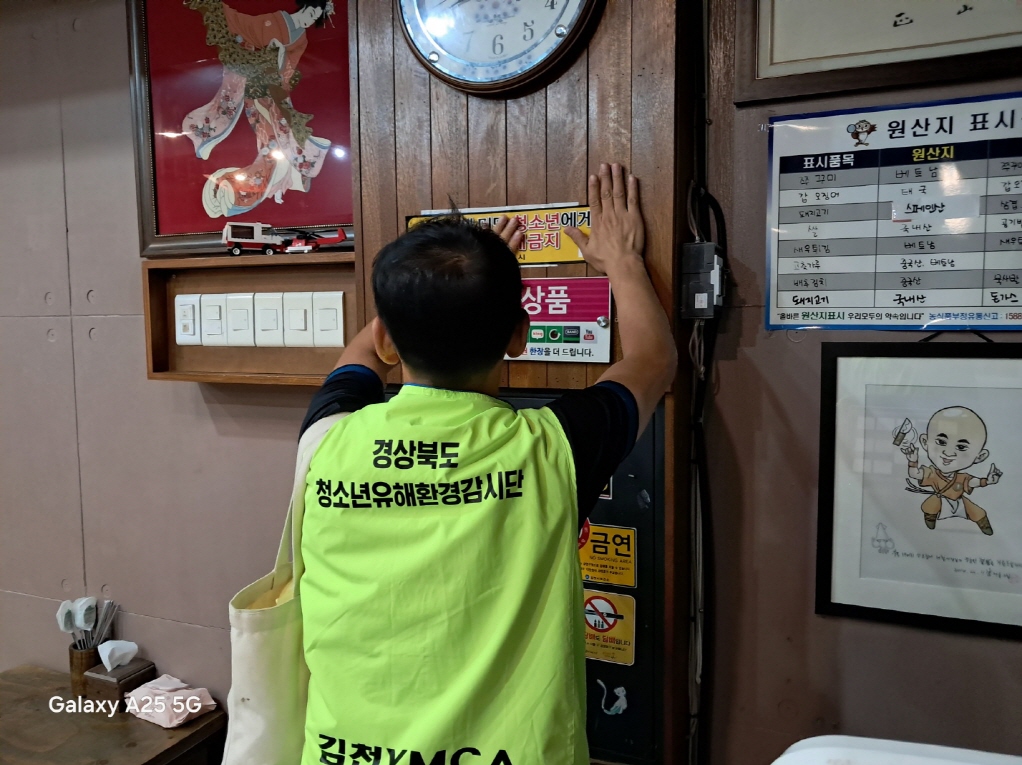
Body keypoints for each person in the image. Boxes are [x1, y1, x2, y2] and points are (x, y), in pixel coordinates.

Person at [298, 163, 677, 765]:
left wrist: (449, 284)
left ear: (388, 339)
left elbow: (360, 357)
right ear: (519, 337)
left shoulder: (327, 441)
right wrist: (623, 263)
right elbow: (654, 360)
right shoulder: (552, 449)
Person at [182, 1, 335, 218]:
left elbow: (288, 69)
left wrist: (279, 60)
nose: (309, 20)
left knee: (275, 143)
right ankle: (240, 190)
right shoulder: (274, 20)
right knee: (272, 143)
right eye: (310, 13)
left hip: (273, 91)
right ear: (304, 7)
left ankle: (247, 189)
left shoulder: (301, 38)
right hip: (254, 86)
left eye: (314, 18)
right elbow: (245, 26)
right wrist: (266, 50)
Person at [900, 406, 1002, 535]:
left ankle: (984, 525)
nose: (948, 453)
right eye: (941, 442)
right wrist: (913, 462)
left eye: (961, 447)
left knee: (977, 512)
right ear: (925, 442)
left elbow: (974, 482)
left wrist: (987, 481)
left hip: (959, 501)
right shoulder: (932, 473)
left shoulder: (962, 477)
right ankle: (930, 519)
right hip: (940, 499)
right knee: (929, 506)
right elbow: (914, 474)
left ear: (979, 456)